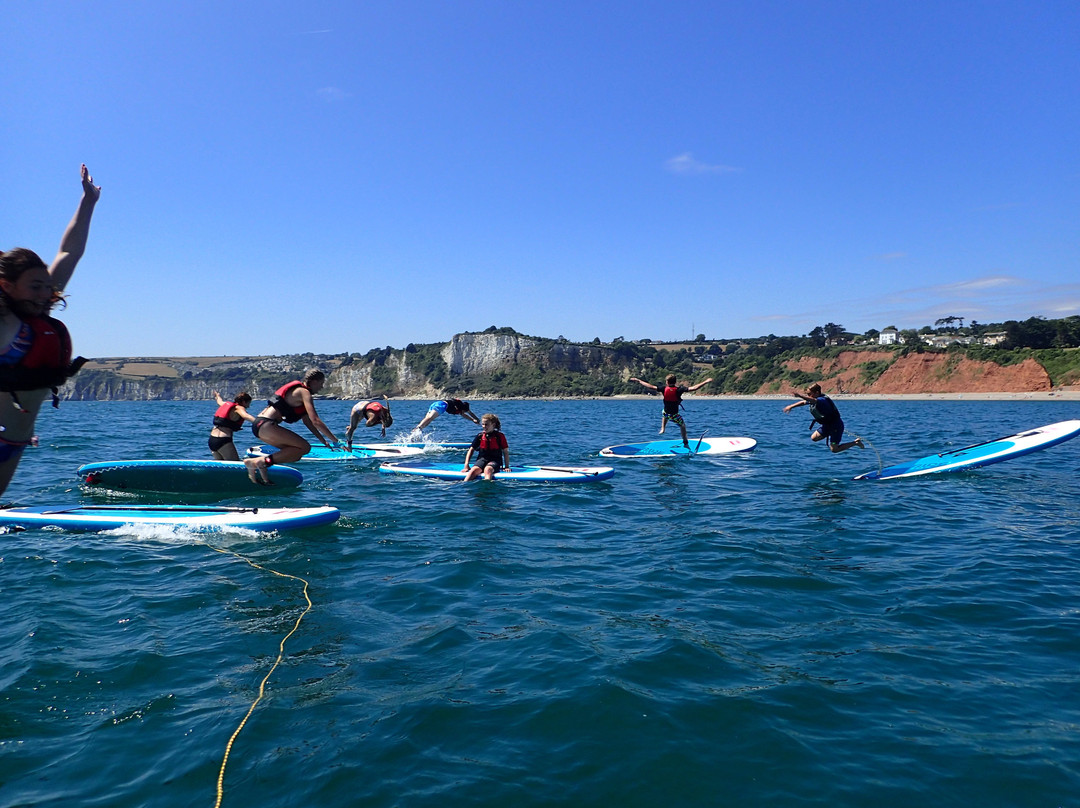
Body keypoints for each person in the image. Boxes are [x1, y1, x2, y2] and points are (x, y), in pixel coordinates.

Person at [0, 164, 100, 497]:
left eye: (48, 286)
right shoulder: (4, 322)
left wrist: (88, 202)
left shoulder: (38, 314)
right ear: (7, 286)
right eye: (36, 287)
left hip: (14, 440)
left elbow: (70, 251)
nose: (47, 294)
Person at [242, 370, 340, 483]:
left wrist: (323, 441)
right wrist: (336, 441)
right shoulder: (304, 392)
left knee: (295, 453)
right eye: (321, 383)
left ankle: (261, 467)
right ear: (313, 381)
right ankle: (260, 462)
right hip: (266, 424)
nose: (321, 387)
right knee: (304, 448)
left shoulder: (299, 393)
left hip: (260, 426)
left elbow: (308, 422)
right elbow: (316, 420)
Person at [628, 373, 714, 447]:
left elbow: (650, 386)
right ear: (675, 382)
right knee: (683, 426)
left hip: (666, 413)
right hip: (674, 414)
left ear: (667, 382)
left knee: (664, 413)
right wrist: (705, 381)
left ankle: (663, 428)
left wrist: (639, 380)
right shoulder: (679, 389)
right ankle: (685, 443)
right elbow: (694, 388)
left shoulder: (663, 389)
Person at [782, 383, 864, 453]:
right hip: (827, 425)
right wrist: (791, 406)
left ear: (817, 392)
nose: (808, 396)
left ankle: (856, 443)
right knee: (814, 438)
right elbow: (804, 402)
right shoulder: (815, 399)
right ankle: (830, 433)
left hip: (836, 426)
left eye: (810, 394)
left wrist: (800, 395)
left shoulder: (822, 400)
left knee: (834, 449)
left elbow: (813, 401)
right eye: (807, 394)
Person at [208, 390, 256, 461]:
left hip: (212, 440)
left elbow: (219, 402)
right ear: (243, 402)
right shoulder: (239, 408)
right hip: (223, 441)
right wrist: (259, 422)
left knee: (222, 467)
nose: (248, 406)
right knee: (235, 465)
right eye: (248, 403)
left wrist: (217, 396)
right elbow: (246, 416)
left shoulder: (225, 404)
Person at [463, 412, 509, 481]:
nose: (484, 426)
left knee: (488, 469)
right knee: (473, 471)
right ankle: (464, 486)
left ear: (493, 425)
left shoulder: (500, 436)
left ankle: (487, 488)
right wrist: (466, 465)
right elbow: (471, 450)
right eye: (483, 424)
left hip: (495, 460)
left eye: (486, 424)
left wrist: (507, 466)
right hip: (482, 459)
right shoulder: (480, 436)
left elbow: (505, 452)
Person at [415, 398, 481, 431]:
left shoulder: (461, 407)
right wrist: (474, 420)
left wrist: (474, 420)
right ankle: (417, 428)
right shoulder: (461, 406)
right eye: (464, 411)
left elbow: (469, 413)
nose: (464, 413)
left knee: (428, 420)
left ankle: (418, 430)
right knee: (430, 418)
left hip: (436, 403)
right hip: (442, 405)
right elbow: (467, 414)